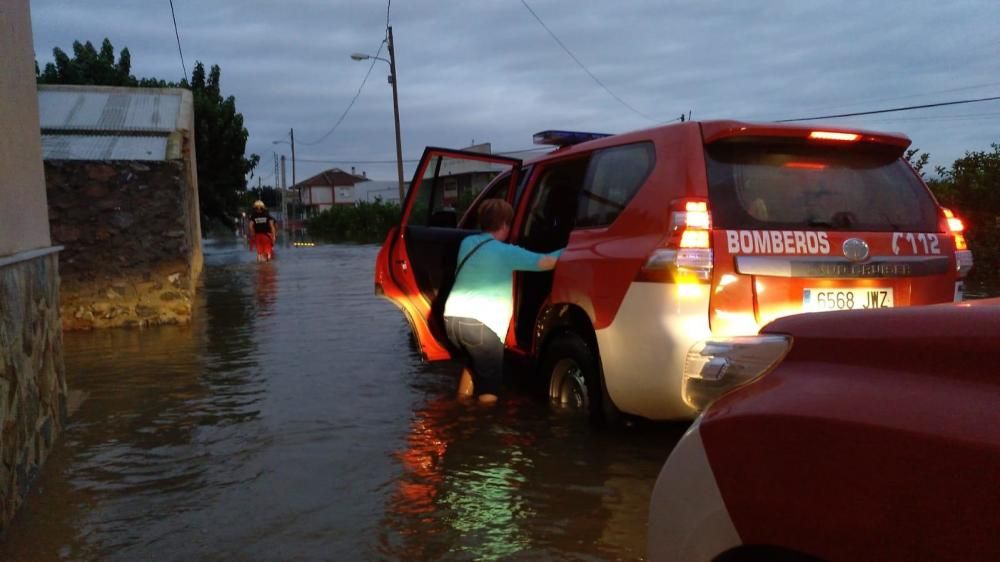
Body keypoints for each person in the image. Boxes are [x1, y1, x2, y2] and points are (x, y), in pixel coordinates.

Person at [443, 199, 562, 405]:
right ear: (505, 224)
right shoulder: (506, 252)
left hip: (452, 320)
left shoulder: (467, 243)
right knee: (490, 386)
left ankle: (461, 411)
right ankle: (484, 430)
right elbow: (548, 262)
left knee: (474, 364)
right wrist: (573, 248)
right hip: (480, 326)